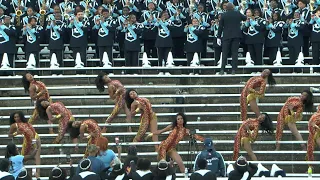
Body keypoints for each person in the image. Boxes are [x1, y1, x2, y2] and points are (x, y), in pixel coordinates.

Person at [8, 112, 41, 179]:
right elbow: (9, 135)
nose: (17, 118)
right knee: (23, 157)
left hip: (35, 137)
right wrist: (16, 133)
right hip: (28, 140)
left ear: (21, 117)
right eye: (15, 117)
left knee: (36, 156)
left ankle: (38, 173)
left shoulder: (27, 123)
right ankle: (23, 173)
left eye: (18, 117)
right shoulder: (14, 125)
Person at [217, 2, 246, 75]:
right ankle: (233, 70)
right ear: (233, 7)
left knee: (225, 53)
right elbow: (245, 18)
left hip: (226, 36)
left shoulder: (223, 15)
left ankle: (222, 69)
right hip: (236, 36)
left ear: (226, 8)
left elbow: (220, 27)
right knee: (234, 53)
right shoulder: (237, 13)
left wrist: (218, 36)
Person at [310, 7, 320, 73]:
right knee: (315, 54)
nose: (318, 13)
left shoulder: (317, 19)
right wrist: (312, 18)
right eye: (318, 11)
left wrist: (317, 18)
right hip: (314, 39)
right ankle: (315, 69)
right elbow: (310, 24)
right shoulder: (315, 18)